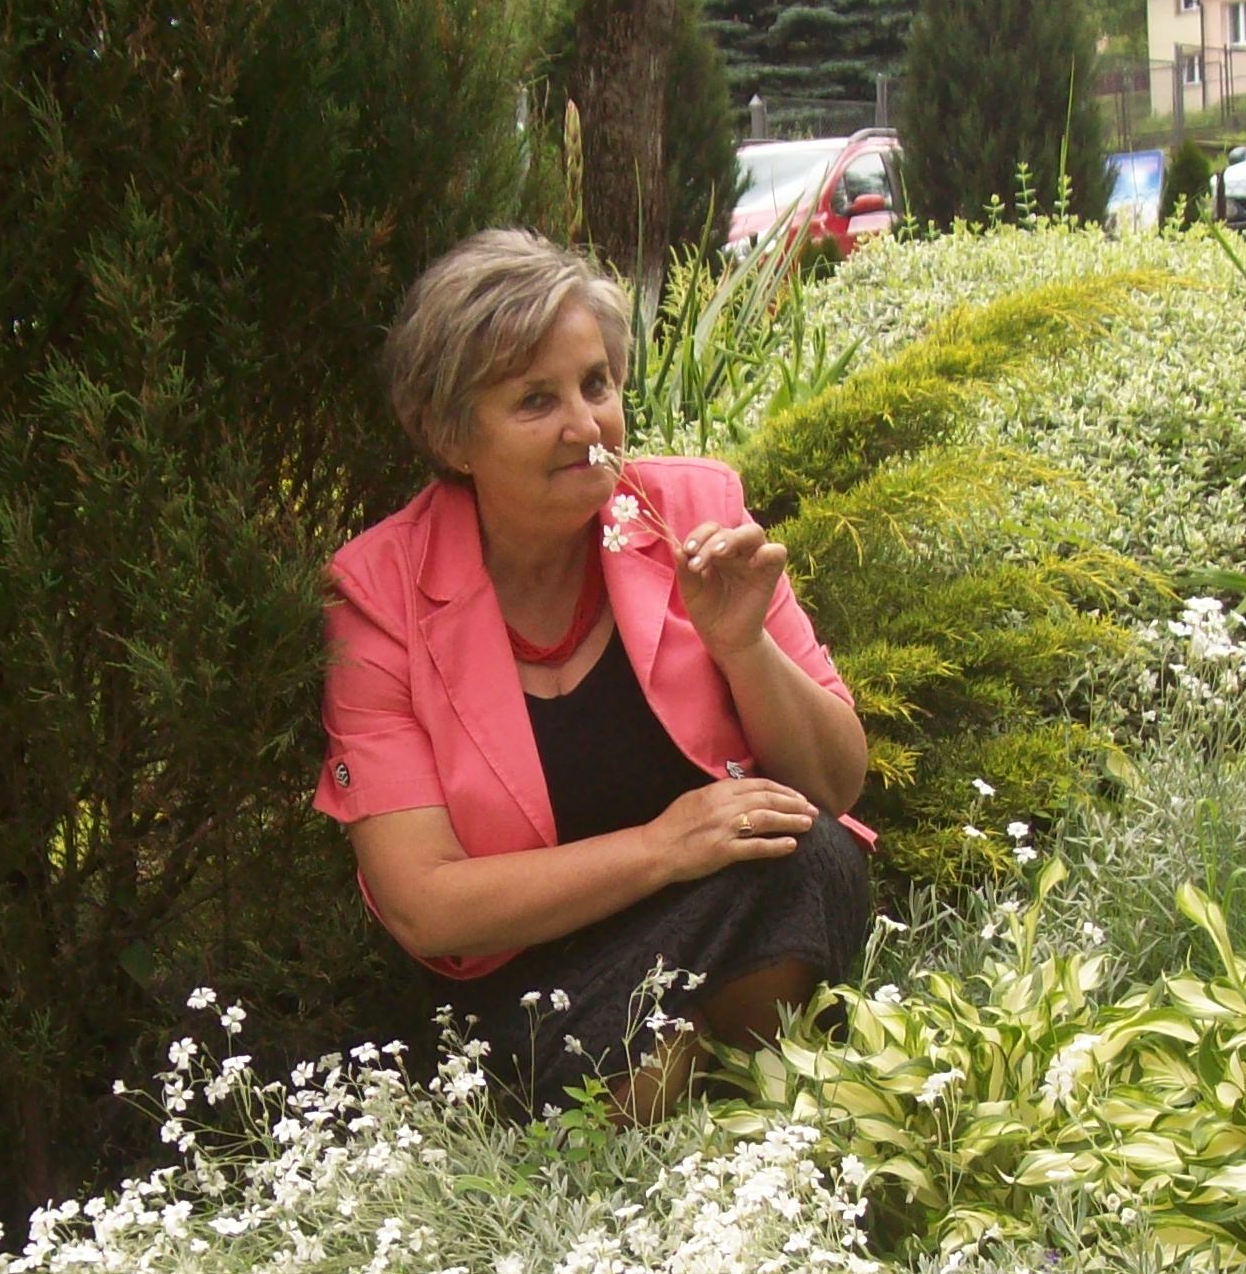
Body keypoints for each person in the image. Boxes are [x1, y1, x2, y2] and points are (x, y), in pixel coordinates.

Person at [314, 228, 872, 1117]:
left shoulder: (696, 511)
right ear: (452, 436)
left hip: (714, 922)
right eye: (536, 401)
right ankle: (683, 1096)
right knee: (622, 1049)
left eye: (597, 385)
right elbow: (423, 903)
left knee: (810, 855)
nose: (587, 427)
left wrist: (742, 646)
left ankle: (698, 1085)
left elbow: (835, 783)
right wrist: (660, 849)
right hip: (534, 980)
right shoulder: (379, 594)